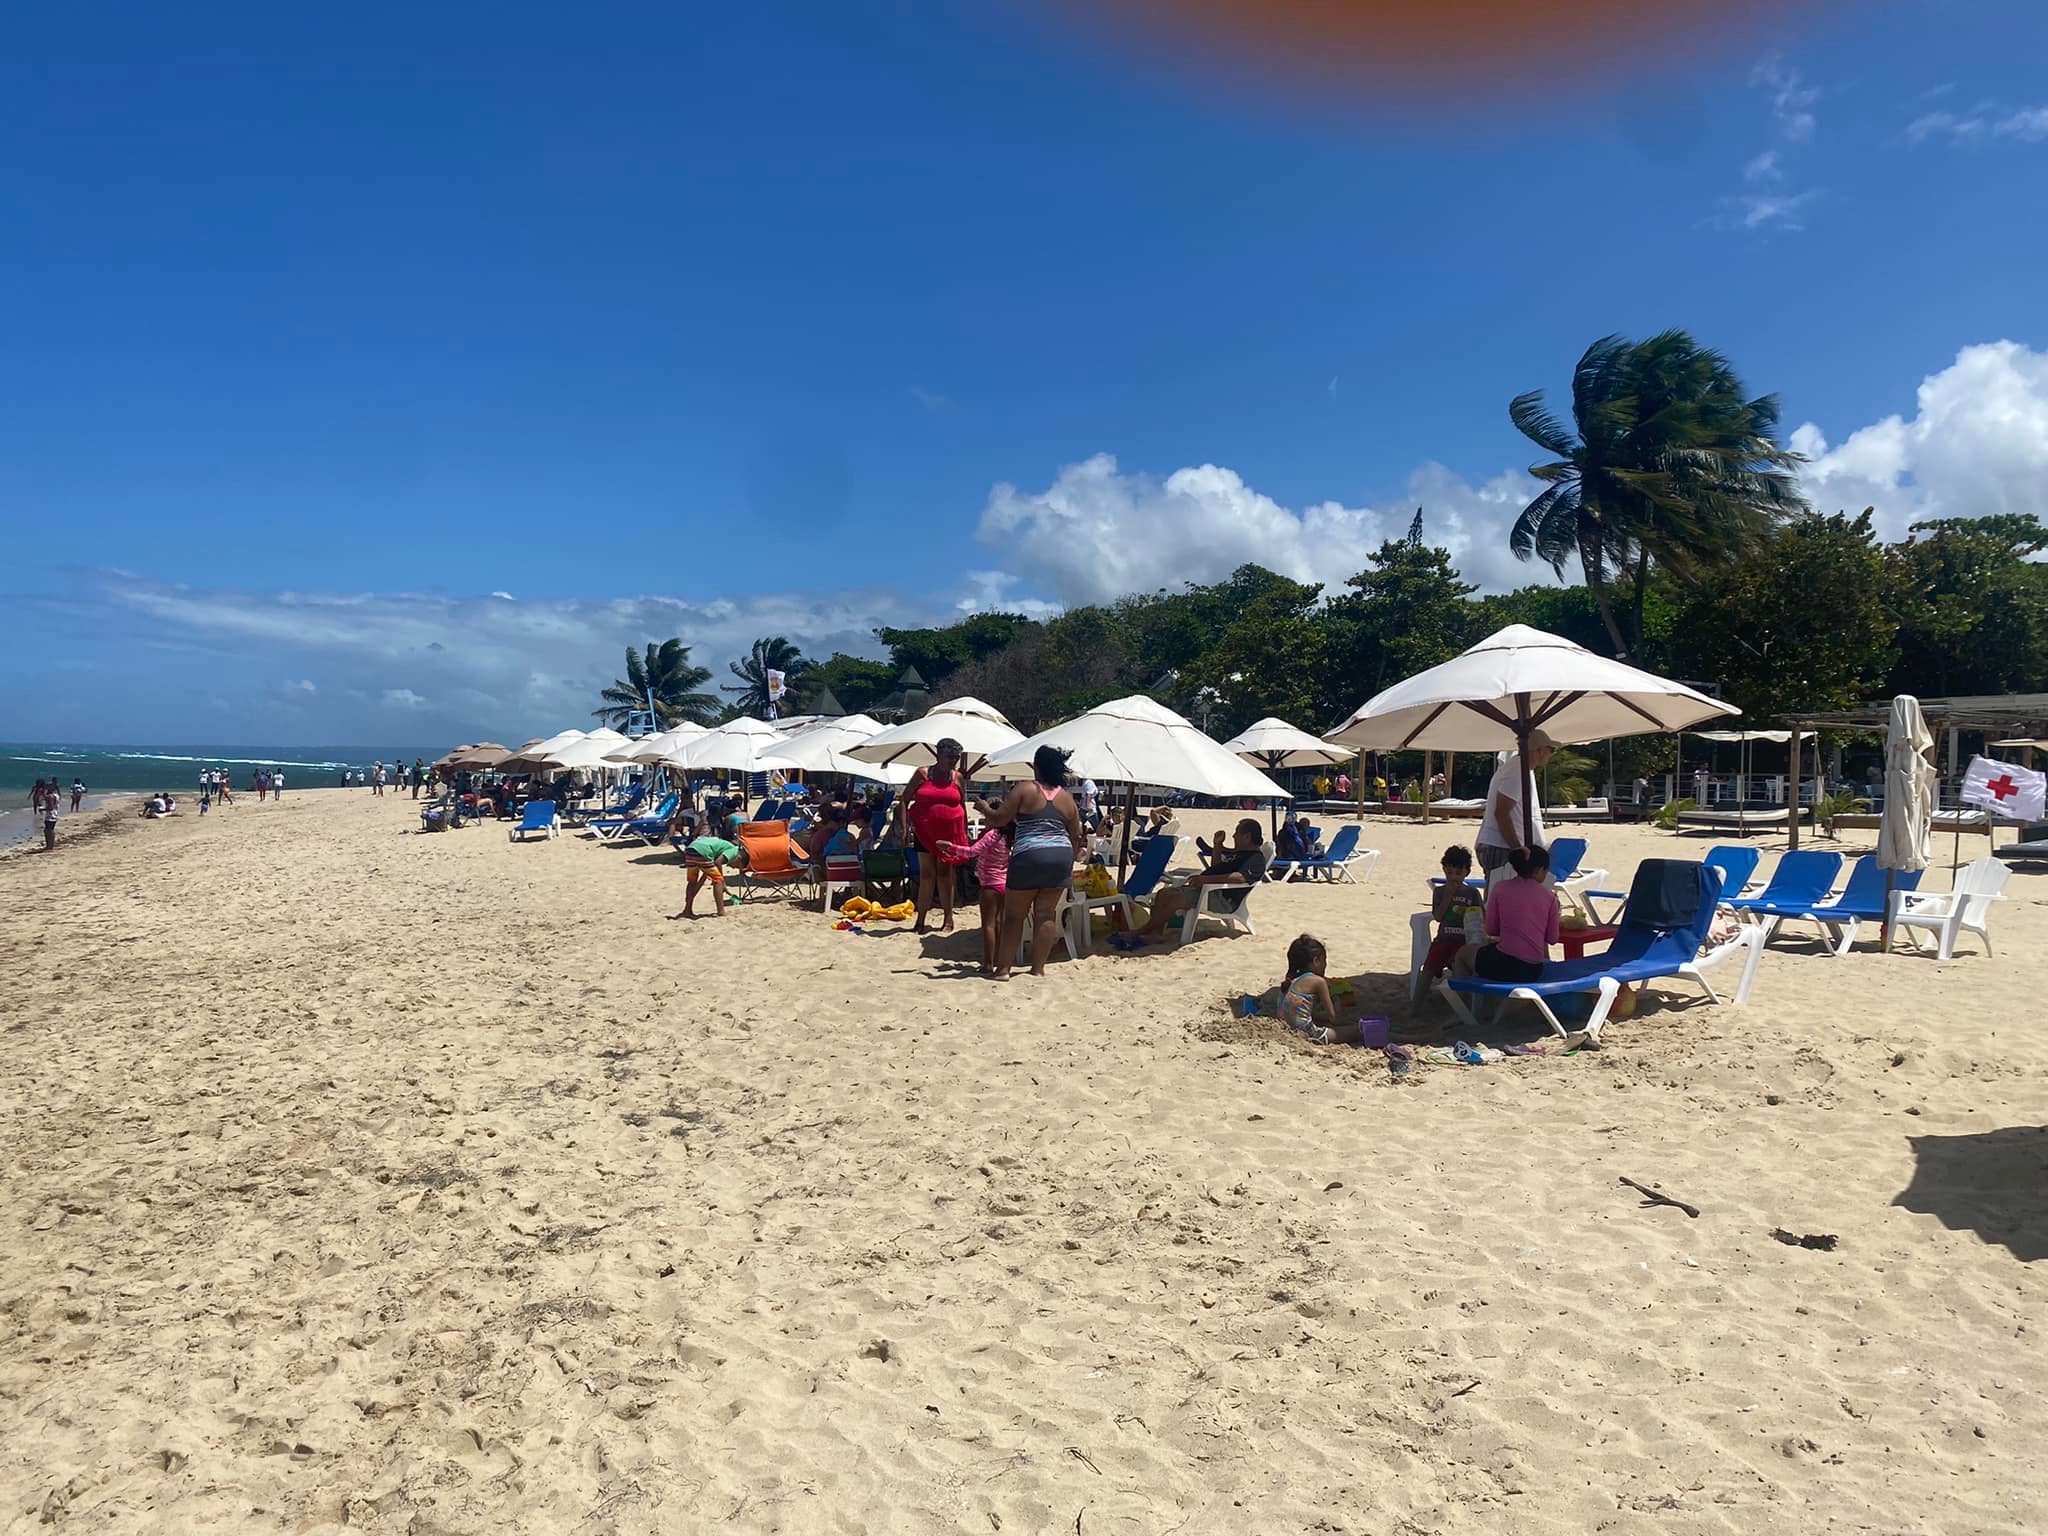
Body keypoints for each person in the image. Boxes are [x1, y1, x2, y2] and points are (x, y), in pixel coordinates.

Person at [980, 744, 1085, 979]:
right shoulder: (1067, 799)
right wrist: (1068, 865)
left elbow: (999, 819)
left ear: (1036, 767)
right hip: (1060, 857)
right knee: (1046, 914)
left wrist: (985, 807)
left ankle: (1004, 969)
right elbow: (1076, 835)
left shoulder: (1025, 789)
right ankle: (1038, 969)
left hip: (1029, 855)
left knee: (1014, 916)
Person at [1129, 817, 1268, 944]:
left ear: (1247, 837)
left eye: (1237, 833)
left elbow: (1240, 878)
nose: (1233, 836)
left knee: (1175, 900)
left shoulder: (1255, 858)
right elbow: (1216, 868)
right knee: (1163, 894)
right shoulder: (1239, 854)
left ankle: (1140, 931)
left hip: (1222, 899)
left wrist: (1204, 879)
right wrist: (1217, 845)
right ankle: (1156, 933)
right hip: (1208, 891)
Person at [1453, 844, 1558, 985]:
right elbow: (1552, 939)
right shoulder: (1549, 897)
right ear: (1539, 870)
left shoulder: (1500, 888)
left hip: (1504, 963)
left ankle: (1465, 1002)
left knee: (1462, 954)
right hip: (1533, 969)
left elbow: (1491, 930)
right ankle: (1494, 1005)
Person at [904, 738, 970, 935]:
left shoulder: (957, 777)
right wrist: (905, 825)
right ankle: (921, 920)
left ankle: (948, 919)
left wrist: (965, 833)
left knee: (945, 874)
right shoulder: (923, 774)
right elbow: (905, 800)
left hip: (949, 833)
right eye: (950, 757)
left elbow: (962, 805)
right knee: (926, 875)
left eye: (956, 758)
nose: (953, 761)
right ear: (938, 755)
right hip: (924, 832)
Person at [1476, 731, 1555, 880]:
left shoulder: (1518, 768)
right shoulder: (1517, 771)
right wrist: (1517, 849)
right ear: (1540, 750)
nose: (1550, 754)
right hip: (1500, 846)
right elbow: (1501, 812)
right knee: (1502, 898)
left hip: (1497, 845)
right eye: (1550, 749)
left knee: (1500, 896)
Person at [940, 820, 1014, 976]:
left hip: (989, 884)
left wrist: (950, 847)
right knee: (999, 923)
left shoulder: (992, 835)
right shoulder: (1008, 836)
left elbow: (971, 852)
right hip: (1004, 883)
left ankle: (988, 963)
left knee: (988, 925)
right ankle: (998, 960)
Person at [1423, 845, 1480, 984]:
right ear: (1444, 869)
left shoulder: (1472, 893)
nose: (1453, 877)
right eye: (1449, 872)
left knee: (1462, 968)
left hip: (1464, 942)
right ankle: (1415, 1004)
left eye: (1458, 873)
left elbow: (1480, 919)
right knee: (1428, 968)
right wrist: (1448, 896)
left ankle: (1461, 1000)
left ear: (1466, 872)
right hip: (1443, 939)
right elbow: (1438, 917)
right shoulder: (1440, 892)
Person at [677, 832, 748, 919]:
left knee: (692, 882)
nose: (733, 868)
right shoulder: (735, 850)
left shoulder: (720, 849)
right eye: (736, 866)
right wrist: (722, 882)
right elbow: (718, 862)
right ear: (739, 859)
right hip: (704, 851)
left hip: (691, 850)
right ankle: (721, 911)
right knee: (717, 881)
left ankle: (687, 910)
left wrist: (722, 885)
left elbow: (704, 876)